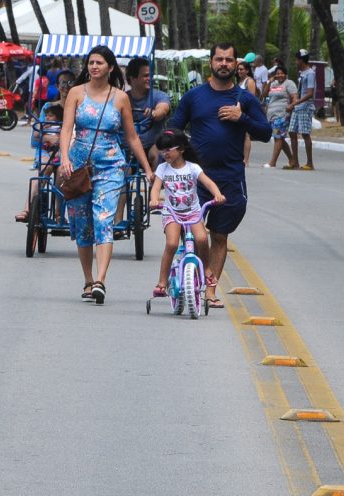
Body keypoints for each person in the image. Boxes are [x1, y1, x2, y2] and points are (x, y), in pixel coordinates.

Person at [167, 42, 271, 309]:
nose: (224, 64)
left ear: (236, 64)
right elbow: (174, 131)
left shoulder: (244, 99)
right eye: (219, 59)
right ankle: (192, 277)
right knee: (193, 232)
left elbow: (265, 132)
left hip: (230, 177)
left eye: (229, 60)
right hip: (197, 177)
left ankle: (210, 290)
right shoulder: (194, 97)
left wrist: (241, 118)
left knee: (220, 235)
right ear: (211, 63)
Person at [58, 45, 154, 305]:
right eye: (90, 62)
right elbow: (66, 129)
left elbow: (132, 137)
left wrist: (147, 168)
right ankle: (88, 280)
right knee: (82, 224)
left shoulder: (120, 98)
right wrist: (64, 158)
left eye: (99, 62)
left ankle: (101, 280)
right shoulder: (76, 93)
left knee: (104, 219)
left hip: (111, 165)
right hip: (78, 166)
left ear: (110, 67)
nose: (94, 67)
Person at [148, 129, 225, 297]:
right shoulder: (162, 168)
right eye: (162, 149)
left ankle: (206, 269)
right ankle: (162, 282)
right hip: (172, 213)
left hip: (193, 213)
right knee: (171, 244)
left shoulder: (192, 168)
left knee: (202, 239)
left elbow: (209, 183)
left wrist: (217, 194)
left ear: (181, 149)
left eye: (169, 149)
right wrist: (154, 200)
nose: (165, 153)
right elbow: (155, 188)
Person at [125, 57, 172, 167]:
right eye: (145, 75)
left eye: (151, 75)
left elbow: (163, 109)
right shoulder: (123, 98)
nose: (150, 78)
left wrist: (154, 113)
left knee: (158, 153)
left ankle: (157, 182)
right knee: (122, 166)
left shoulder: (159, 95)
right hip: (127, 148)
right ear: (132, 79)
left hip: (151, 145)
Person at [261, 64, 297, 168]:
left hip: (282, 115)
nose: (279, 75)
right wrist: (269, 82)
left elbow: (295, 97)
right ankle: (292, 159)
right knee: (280, 138)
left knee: (278, 138)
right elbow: (264, 94)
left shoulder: (289, 83)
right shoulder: (274, 84)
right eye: (277, 73)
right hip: (272, 115)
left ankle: (272, 162)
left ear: (285, 74)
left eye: (281, 73)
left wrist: (291, 106)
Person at [286, 49, 316, 170]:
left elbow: (310, 93)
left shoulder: (310, 74)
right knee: (292, 132)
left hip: (305, 107)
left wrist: (294, 103)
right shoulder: (301, 73)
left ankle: (310, 162)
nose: (296, 61)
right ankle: (295, 161)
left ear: (301, 60)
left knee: (305, 133)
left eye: (297, 59)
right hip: (298, 107)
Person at [237, 60, 258, 165]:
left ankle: (246, 159)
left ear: (247, 70)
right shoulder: (240, 81)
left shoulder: (249, 81)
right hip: (238, 110)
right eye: (238, 69)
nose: (239, 71)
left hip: (246, 111)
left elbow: (252, 97)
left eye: (241, 69)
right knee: (240, 134)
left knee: (246, 135)